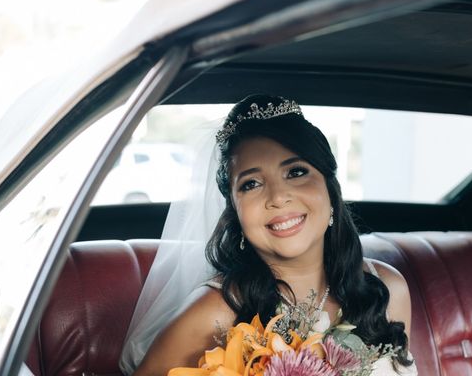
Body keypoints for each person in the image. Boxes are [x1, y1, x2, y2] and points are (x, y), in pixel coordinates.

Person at [125, 94, 417, 375]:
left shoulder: (387, 291)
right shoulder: (212, 314)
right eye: (251, 184)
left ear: (330, 189)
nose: (278, 197)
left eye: (295, 172)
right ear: (235, 213)